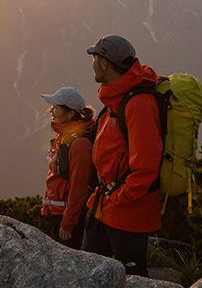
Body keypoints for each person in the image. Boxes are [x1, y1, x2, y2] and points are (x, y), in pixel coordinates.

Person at [81, 35, 162, 277]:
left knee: (133, 280)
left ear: (104, 63)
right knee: (87, 272)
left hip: (128, 212)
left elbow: (146, 165)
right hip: (104, 204)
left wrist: (119, 197)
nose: (92, 63)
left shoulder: (138, 104)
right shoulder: (117, 97)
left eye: (94, 58)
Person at [40, 86, 95, 249]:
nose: (51, 110)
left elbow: (79, 186)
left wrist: (68, 223)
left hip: (71, 221)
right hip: (59, 215)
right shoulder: (64, 136)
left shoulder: (79, 144)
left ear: (71, 113)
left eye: (56, 107)